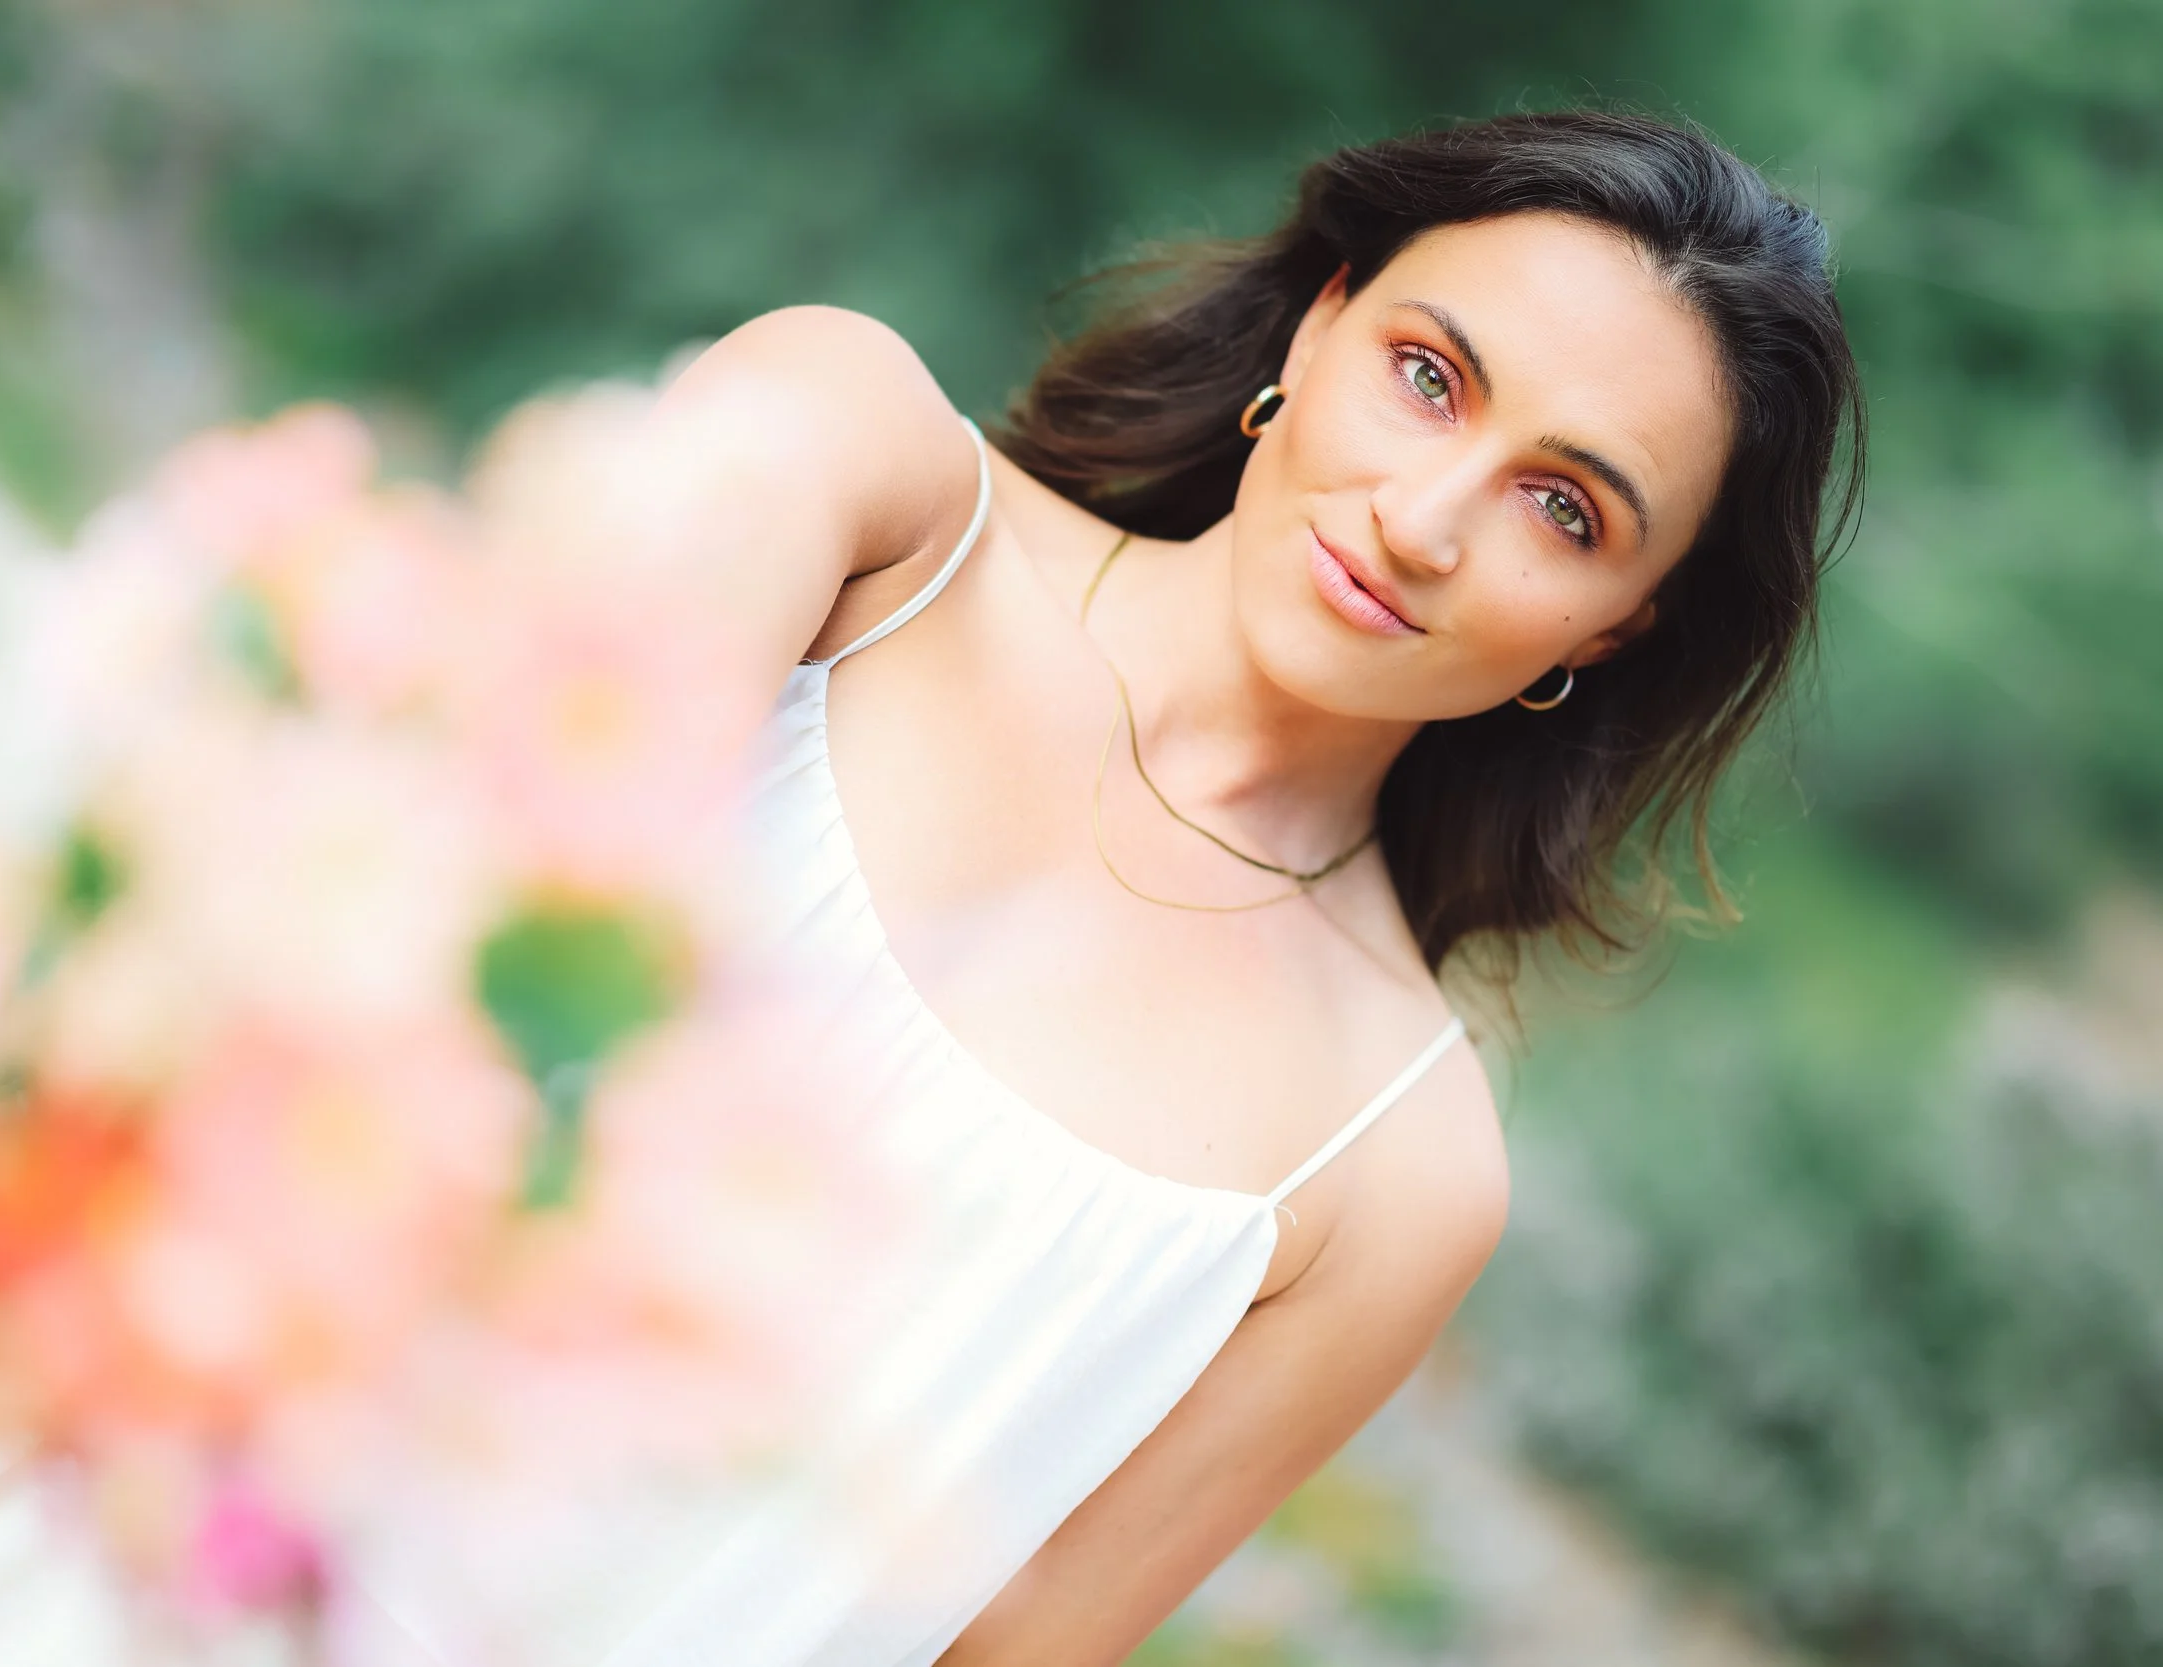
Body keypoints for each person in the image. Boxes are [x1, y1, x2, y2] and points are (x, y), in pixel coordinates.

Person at [534, 107, 1861, 1666]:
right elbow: (432, 932)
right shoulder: (858, 479)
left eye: (1564, 509)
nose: (1423, 525)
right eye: (1429, 378)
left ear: (1614, 627)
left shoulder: (1402, 1163)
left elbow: (1013, 1644)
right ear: (1323, 318)